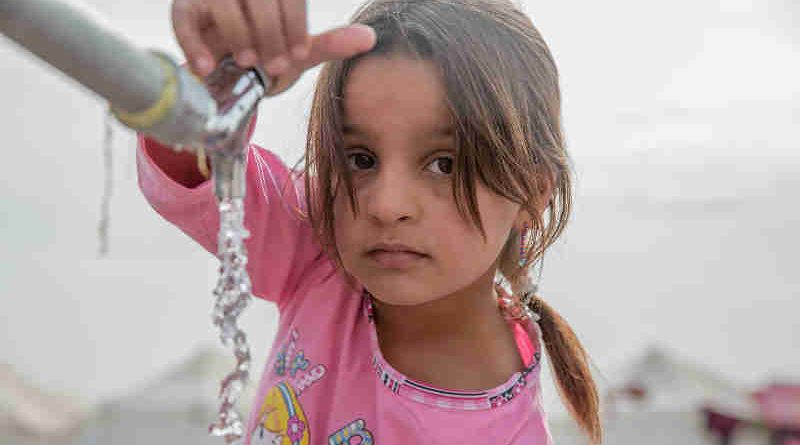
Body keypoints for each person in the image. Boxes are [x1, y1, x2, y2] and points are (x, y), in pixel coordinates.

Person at [138, 0, 602, 443]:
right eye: (361, 159)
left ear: (533, 191)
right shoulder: (319, 245)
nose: (385, 204)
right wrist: (217, 82)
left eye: (444, 164)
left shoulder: (508, 434)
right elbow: (198, 166)